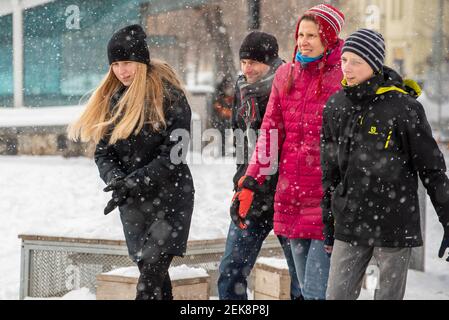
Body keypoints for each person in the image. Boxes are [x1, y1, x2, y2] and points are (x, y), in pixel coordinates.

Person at [67, 24, 195, 300]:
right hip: (134, 205)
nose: (121, 71)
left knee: (147, 286)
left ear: (142, 61)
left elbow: (175, 154)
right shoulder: (114, 100)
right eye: (115, 64)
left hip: (171, 200)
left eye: (127, 63)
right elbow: (103, 152)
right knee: (158, 286)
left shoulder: (170, 97)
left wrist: (134, 181)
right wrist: (116, 180)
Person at [321, 29, 449, 300]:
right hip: (350, 222)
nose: (347, 68)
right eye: (344, 60)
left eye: (356, 61)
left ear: (374, 63)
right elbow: (330, 173)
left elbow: (432, 170)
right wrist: (329, 222)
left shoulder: (404, 108)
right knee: (335, 296)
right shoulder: (336, 105)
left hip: (394, 223)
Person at [232, 4, 345, 300]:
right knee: (305, 290)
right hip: (290, 197)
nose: (304, 41)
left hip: (326, 202)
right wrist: (250, 181)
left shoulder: (344, 77)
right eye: (300, 35)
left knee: (317, 292)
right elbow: (269, 134)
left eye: (312, 35)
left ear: (329, 38)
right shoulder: (286, 75)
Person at [218, 31, 301, 300]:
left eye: (254, 62)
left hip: (287, 196)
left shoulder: (290, 86)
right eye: (243, 62)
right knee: (231, 271)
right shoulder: (243, 91)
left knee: (301, 280)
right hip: (252, 195)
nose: (247, 68)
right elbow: (241, 145)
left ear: (271, 61)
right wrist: (241, 180)